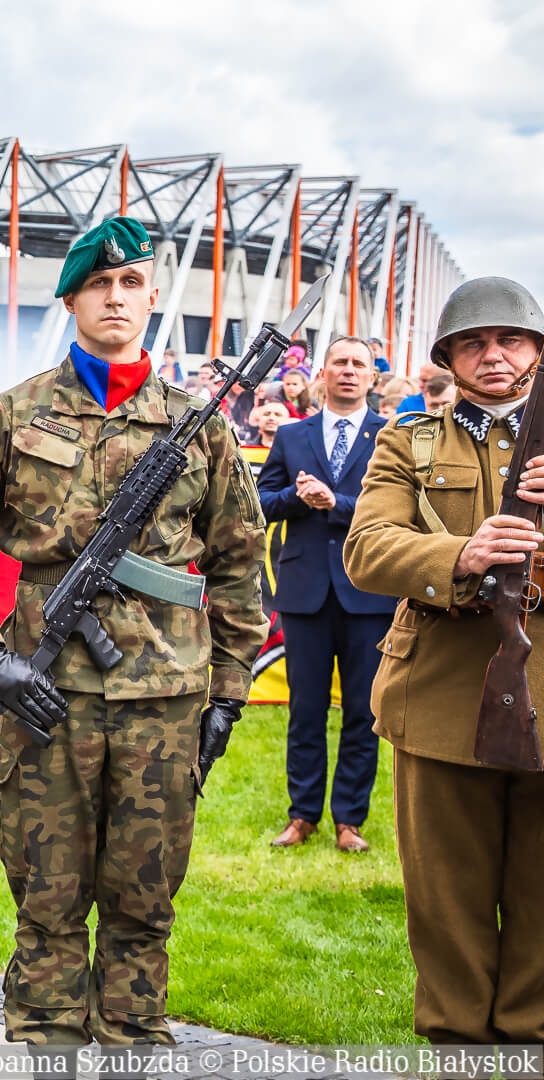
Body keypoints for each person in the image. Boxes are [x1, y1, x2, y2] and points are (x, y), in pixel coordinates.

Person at [0, 217, 268, 1048]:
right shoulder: (14, 414)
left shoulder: (198, 424)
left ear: (150, 297)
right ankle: (42, 1041)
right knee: (47, 898)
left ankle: (135, 1042)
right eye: (99, 285)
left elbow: (241, 565)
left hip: (165, 700)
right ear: (71, 298)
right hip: (49, 696)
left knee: (145, 901)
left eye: (132, 283)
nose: (116, 297)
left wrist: (230, 692)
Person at [344, 276, 544, 1045]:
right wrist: (463, 553)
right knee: (446, 889)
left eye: (510, 339)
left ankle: (531, 1032)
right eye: (474, 343)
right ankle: (458, 1039)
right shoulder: (410, 442)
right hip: (443, 692)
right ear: (450, 359)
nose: (493, 355)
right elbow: (367, 547)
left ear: (534, 351)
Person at [256, 336, 392, 853]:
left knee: (363, 711)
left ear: (373, 377)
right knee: (305, 710)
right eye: (340, 363)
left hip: (369, 593)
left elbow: (395, 511)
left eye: (360, 364)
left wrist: (336, 501)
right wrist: (297, 496)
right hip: (306, 591)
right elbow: (263, 503)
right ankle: (302, 814)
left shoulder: (389, 436)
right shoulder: (291, 437)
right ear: (323, 374)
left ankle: (349, 819)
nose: (350, 372)